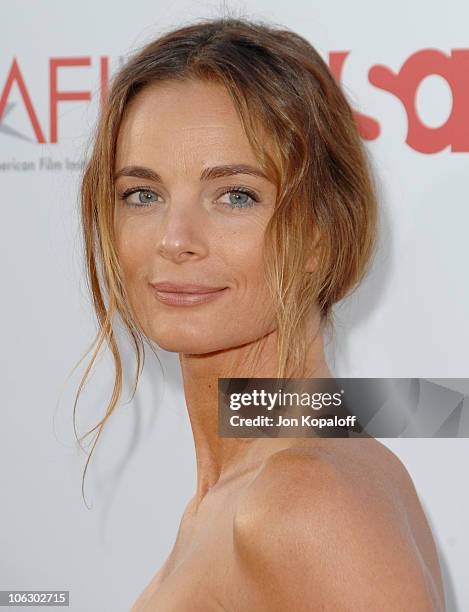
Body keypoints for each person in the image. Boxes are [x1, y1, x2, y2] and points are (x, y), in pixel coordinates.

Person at [76, 15, 445, 611]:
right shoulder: (254, 487)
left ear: (324, 232)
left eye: (235, 195)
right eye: (142, 194)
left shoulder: (304, 497)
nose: (175, 239)